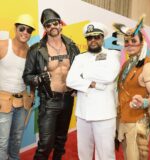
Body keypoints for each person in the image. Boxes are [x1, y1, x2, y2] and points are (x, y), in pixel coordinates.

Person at [23, 8, 80, 160]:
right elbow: (27, 76)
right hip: (49, 102)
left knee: (61, 141)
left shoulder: (73, 47)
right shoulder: (36, 50)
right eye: (48, 25)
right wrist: (38, 78)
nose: (52, 26)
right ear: (45, 28)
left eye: (55, 23)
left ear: (61, 24)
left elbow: (80, 71)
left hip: (68, 99)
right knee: (45, 145)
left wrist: (78, 87)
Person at [66, 22, 121, 160]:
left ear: (102, 38)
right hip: (83, 112)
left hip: (104, 114)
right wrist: (94, 84)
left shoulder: (112, 55)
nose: (93, 40)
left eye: (96, 37)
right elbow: (70, 80)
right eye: (89, 38)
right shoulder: (80, 57)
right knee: (84, 151)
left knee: (105, 153)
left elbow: (109, 76)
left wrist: (83, 75)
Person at [116, 19, 150, 160]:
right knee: (128, 155)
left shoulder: (147, 67)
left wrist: (144, 103)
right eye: (127, 41)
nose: (129, 45)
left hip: (138, 122)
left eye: (133, 41)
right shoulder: (127, 64)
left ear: (142, 43)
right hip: (124, 119)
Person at [0, 14, 35, 160]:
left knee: (17, 138)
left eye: (29, 30)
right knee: (2, 141)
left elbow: (32, 76)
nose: (25, 32)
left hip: (22, 100)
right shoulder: (3, 45)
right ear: (15, 28)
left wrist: (32, 93)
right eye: (22, 28)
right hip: (3, 100)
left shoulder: (31, 52)